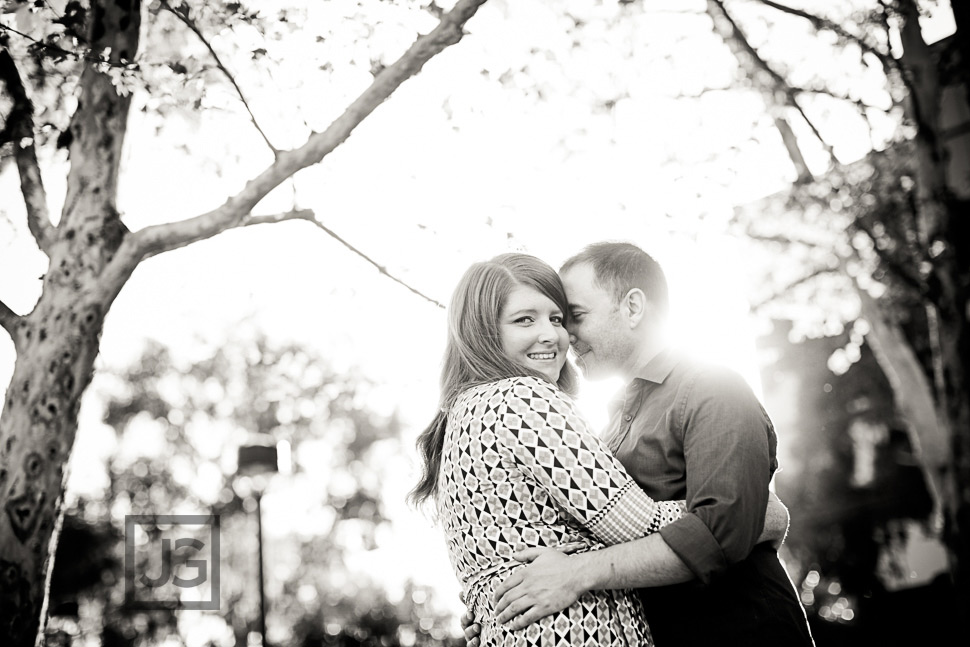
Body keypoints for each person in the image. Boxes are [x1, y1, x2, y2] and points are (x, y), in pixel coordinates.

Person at [410, 252, 789, 647]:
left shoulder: (708, 386)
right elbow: (618, 528)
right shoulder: (585, 420)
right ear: (485, 331)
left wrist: (742, 515)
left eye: (568, 316)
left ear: (633, 307)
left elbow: (715, 529)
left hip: (739, 630)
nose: (562, 335)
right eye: (527, 319)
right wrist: (496, 599)